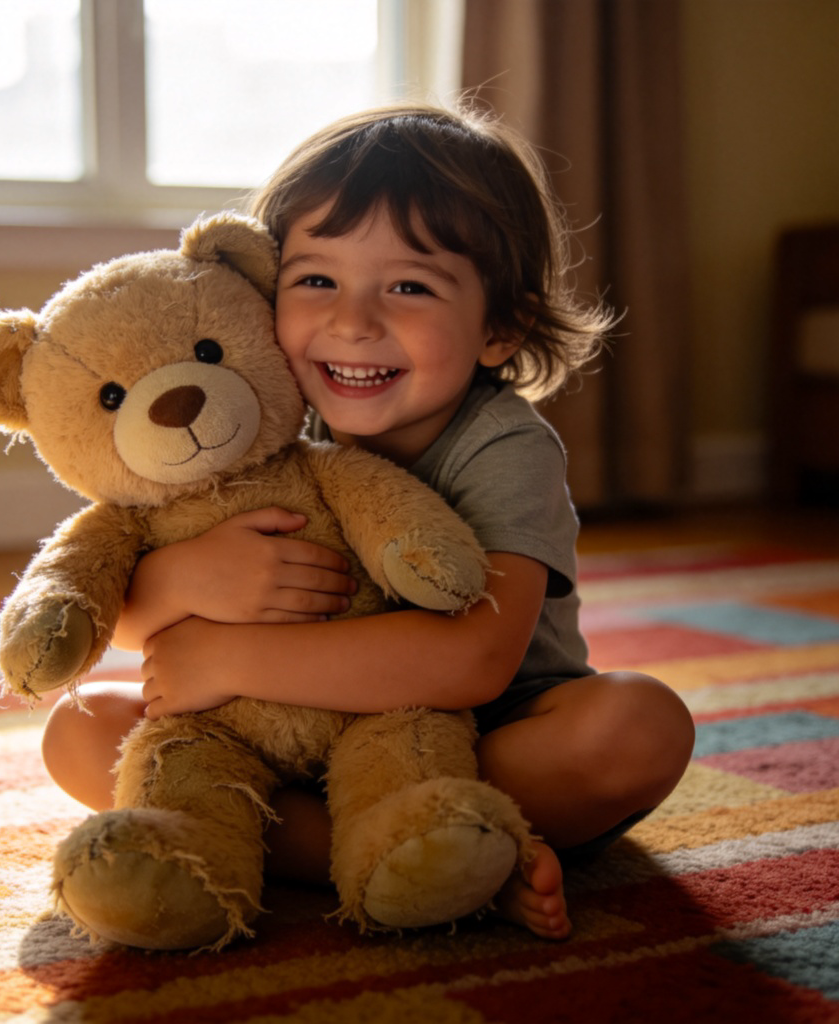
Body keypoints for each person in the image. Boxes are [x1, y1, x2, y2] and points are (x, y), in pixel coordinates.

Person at [41, 101, 695, 942]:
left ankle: (417, 834)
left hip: (484, 741)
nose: (353, 322)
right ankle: (429, 860)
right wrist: (186, 577)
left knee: (639, 726)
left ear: (502, 327)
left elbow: (473, 661)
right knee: (78, 726)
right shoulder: (265, 425)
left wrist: (232, 651)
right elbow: (129, 629)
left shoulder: (503, 445)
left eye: (410, 287)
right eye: (316, 280)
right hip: (272, 744)